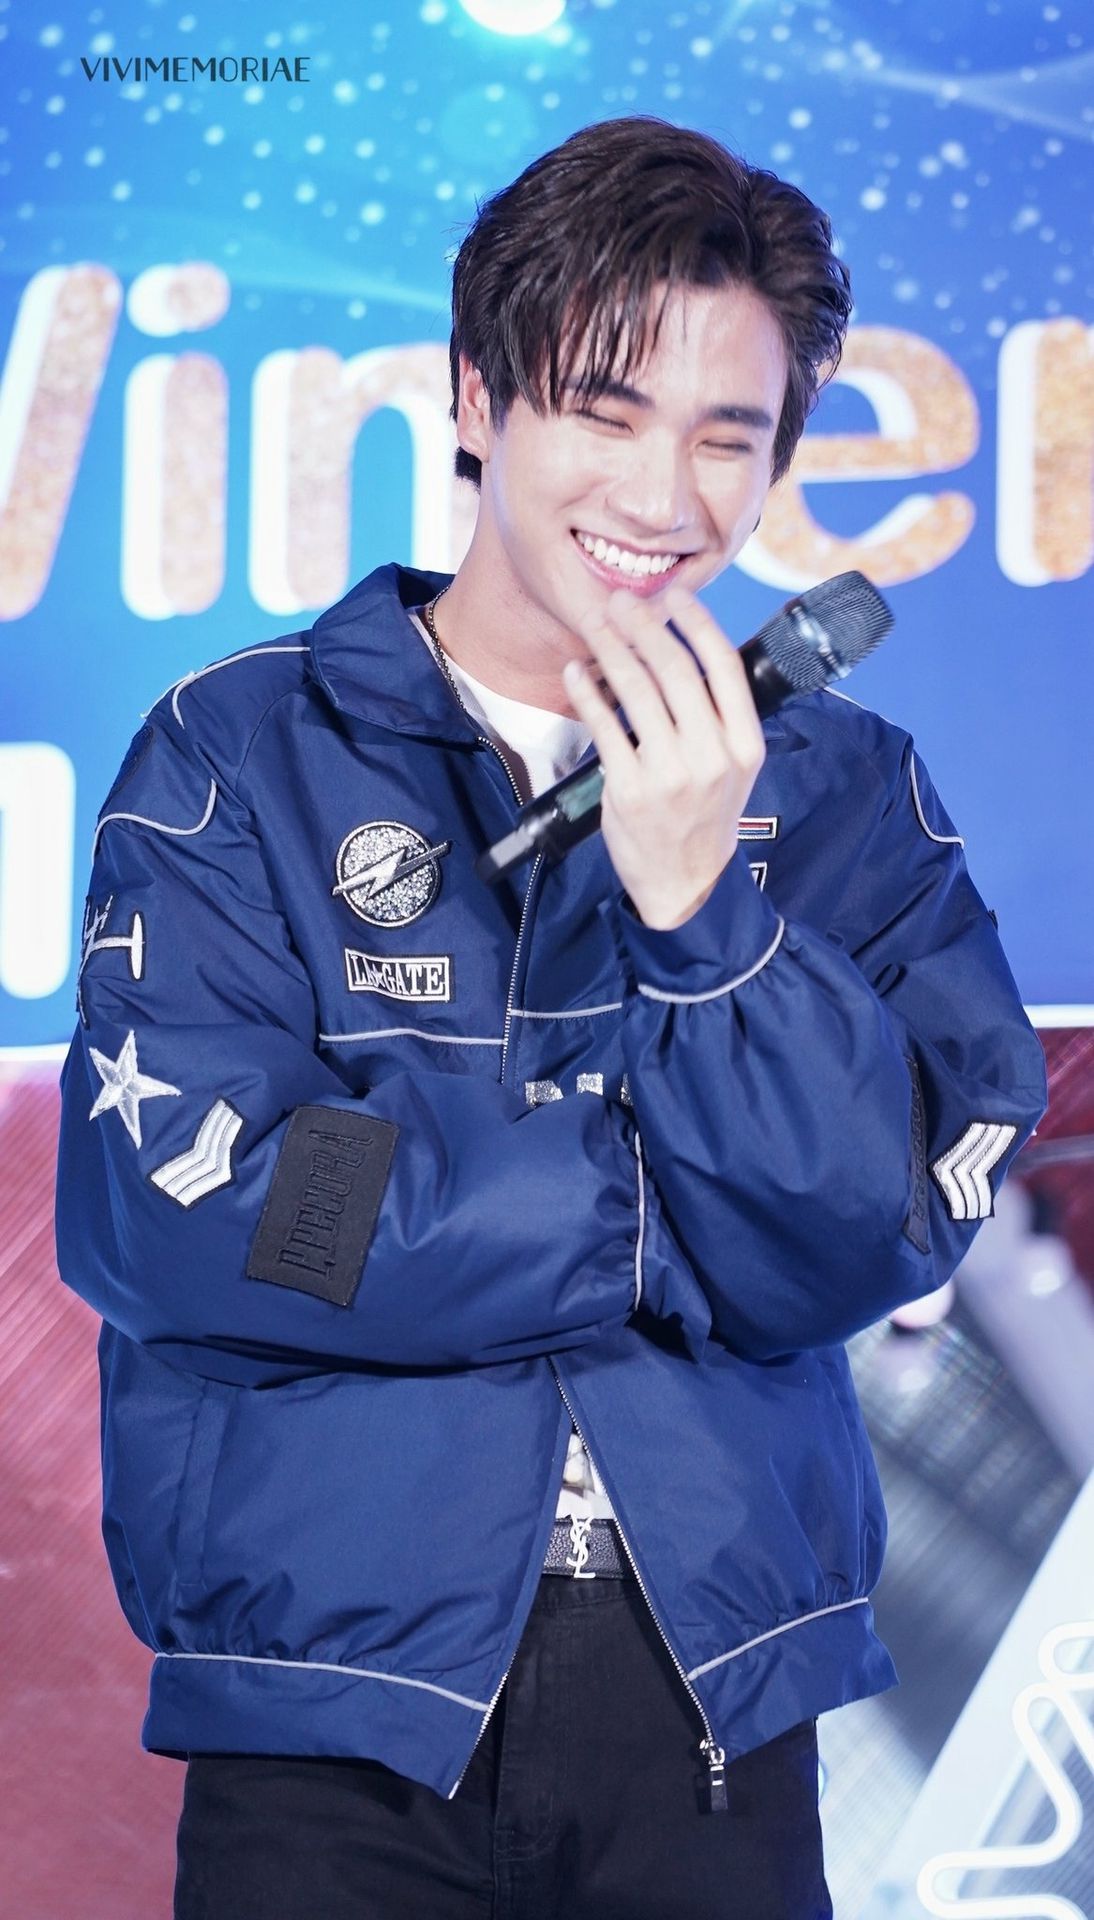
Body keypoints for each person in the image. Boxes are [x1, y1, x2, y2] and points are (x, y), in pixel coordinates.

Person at [55, 116, 1047, 1919]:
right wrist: (660, 1205)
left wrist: (702, 919)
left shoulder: (846, 795)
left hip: (716, 1707)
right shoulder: (239, 755)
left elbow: (870, 1230)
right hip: (334, 1719)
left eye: (724, 437)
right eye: (605, 409)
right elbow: (212, 1208)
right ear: (476, 397)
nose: (663, 496)